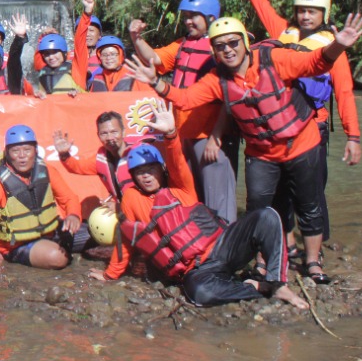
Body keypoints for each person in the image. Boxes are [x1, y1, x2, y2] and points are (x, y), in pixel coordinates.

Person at [127, 12, 362, 284]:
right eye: (220, 46)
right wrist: (157, 82)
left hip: (302, 143)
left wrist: (340, 45)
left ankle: (313, 262)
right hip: (261, 153)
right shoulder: (217, 80)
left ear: (244, 42)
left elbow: (315, 62)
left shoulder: (275, 59)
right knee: (258, 209)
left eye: (233, 43)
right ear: (215, 52)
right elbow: (185, 99)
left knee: (309, 205)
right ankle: (263, 263)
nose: (228, 50)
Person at [87, 110, 309, 310]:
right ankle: (257, 289)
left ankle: (278, 283)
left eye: (151, 169)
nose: (146, 175)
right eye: (139, 172)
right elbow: (126, 238)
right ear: (133, 176)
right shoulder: (132, 200)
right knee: (198, 294)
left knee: (267, 216)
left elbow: (176, 160)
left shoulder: (180, 186)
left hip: (223, 247)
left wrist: (171, 134)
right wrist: (110, 274)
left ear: (161, 170)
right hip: (197, 270)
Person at [231, 0, 361, 247]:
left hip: (312, 126)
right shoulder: (281, 31)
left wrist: (353, 137)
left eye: (312, 12)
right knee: (280, 194)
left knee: (312, 191)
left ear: (323, 14)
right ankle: (285, 243)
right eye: (301, 10)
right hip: (278, 128)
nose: (305, 16)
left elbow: (344, 93)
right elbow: (260, 4)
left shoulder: (332, 48)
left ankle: (318, 245)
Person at [128, 0, 237, 223]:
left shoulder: (220, 49)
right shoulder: (183, 44)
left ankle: (225, 242)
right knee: (192, 194)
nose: (188, 21)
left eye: (194, 16)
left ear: (210, 18)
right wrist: (136, 38)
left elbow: (229, 99)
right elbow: (154, 60)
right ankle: (200, 241)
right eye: (186, 16)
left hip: (207, 136)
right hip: (184, 133)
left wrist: (215, 138)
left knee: (217, 197)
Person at [0, 125, 88, 273]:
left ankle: (60, 246)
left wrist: (73, 214)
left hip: (50, 233)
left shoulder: (46, 170)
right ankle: (53, 252)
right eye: (15, 151)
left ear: (35, 151)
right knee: (57, 257)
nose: (22, 155)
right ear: (7, 153)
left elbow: (69, 198)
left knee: (98, 233)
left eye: (27, 150)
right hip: (16, 246)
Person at [54, 111, 135, 204]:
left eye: (114, 132)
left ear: (123, 132)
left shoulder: (138, 152)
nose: (109, 137)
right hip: (123, 209)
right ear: (98, 135)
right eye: (104, 133)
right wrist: (64, 154)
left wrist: (121, 208)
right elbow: (78, 167)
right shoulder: (101, 158)